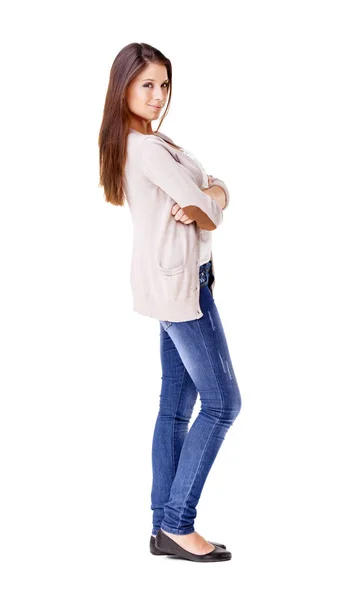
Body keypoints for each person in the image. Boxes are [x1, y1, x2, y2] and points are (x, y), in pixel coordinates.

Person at [98, 43, 242, 563]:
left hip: (169, 282)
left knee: (176, 407)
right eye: (146, 86)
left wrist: (210, 196)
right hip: (183, 288)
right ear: (124, 89)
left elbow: (206, 197)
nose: (158, 95)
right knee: (224, 403)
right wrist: (214, 198)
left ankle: (164, 525)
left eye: (163, 85)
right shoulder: (148, 149)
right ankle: (180, 524)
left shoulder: (146, 141)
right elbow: (208, 208)